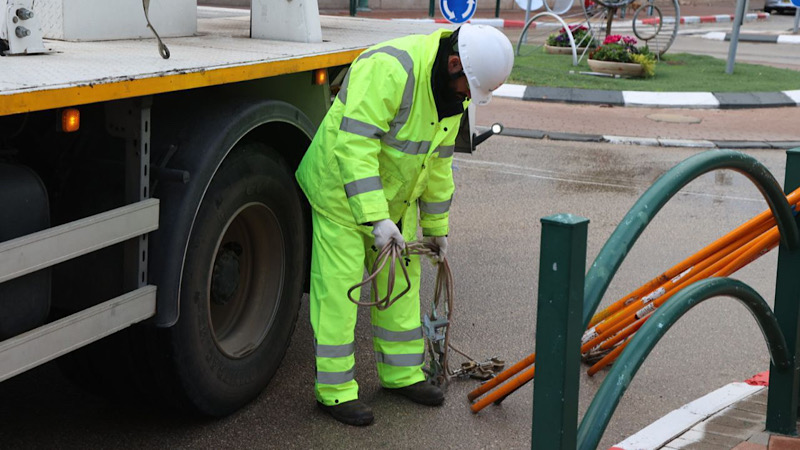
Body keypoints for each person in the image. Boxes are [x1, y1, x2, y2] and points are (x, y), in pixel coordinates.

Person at [295, 23, 514, 426]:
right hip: (340, 195)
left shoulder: (450, 94)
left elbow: (439, 165)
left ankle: (401, 375)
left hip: (395, 200)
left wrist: (436, 228)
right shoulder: (389, 68)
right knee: (339, 294)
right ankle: (336, 391)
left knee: (401, 289)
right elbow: (354, 146)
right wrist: (375, 217)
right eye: (468, 88)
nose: (468, 96)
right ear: (453, 64)